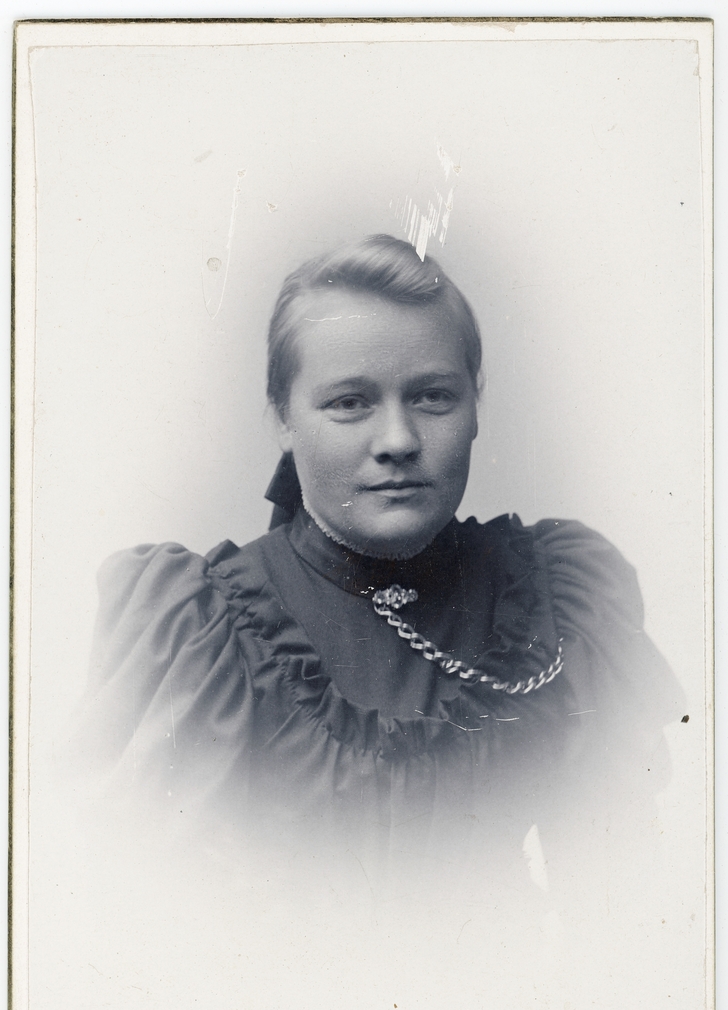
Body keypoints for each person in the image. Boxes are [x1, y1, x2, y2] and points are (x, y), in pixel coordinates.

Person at [75, 234, 683, 867]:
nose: (398, 440)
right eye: (350, 403)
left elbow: (617, 886)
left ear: (476, 403)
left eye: (432, 396)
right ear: (283, 418)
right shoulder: (202, 631)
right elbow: (143, 898)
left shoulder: (555, 595)